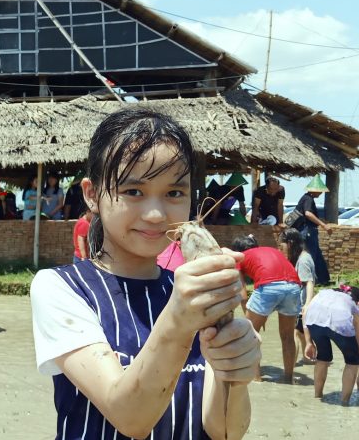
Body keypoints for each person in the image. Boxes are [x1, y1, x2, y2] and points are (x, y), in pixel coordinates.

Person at [30, 109, 259, 440]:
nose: (155, 214)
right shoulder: (61, 289)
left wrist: (233, 369)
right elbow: (131, 418)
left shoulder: (191, 292)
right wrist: (180, 318)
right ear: (92, 194)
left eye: (174, 193)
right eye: (134, 192)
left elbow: (225, 432)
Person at [231, 235, 303, 384]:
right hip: (294, 286)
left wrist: (251, 318)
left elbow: (242, 295)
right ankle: (288, 379)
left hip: (268, 287)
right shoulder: (272, 250)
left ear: (237, 251)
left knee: (251, 336)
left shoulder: (239, 258)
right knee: (288, 337)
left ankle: (256, 379)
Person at [303, 285, 359, 405]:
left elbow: (305, 311)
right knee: (352, 361)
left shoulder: (324, 292)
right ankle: (344, 403)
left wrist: (308, 342)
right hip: (340, 321)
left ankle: (317, 396)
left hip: (313, 319)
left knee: (323, 357)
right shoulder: (354, 306)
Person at [279, 228, 316, 364]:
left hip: (302, 305)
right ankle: (310, 360)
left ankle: (290, 365)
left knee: (293, 333)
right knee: (301, 333)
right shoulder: (303, 257)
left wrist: (307, 304)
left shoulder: (303, 260)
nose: (280, 249)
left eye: (281, 246)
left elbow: (309, 282)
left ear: (289, 244)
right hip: (301, 304)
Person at [292, 178, 331, 285]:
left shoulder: (306, 198)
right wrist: (323, 225)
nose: (321, 193)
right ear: (314, 190)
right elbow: (308, 214)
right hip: (307, 230)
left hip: (308, 230)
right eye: (320, 191)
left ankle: (322, 279)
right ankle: (308, 280)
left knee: (317, 255)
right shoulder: (308, 199)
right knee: (310, 256)